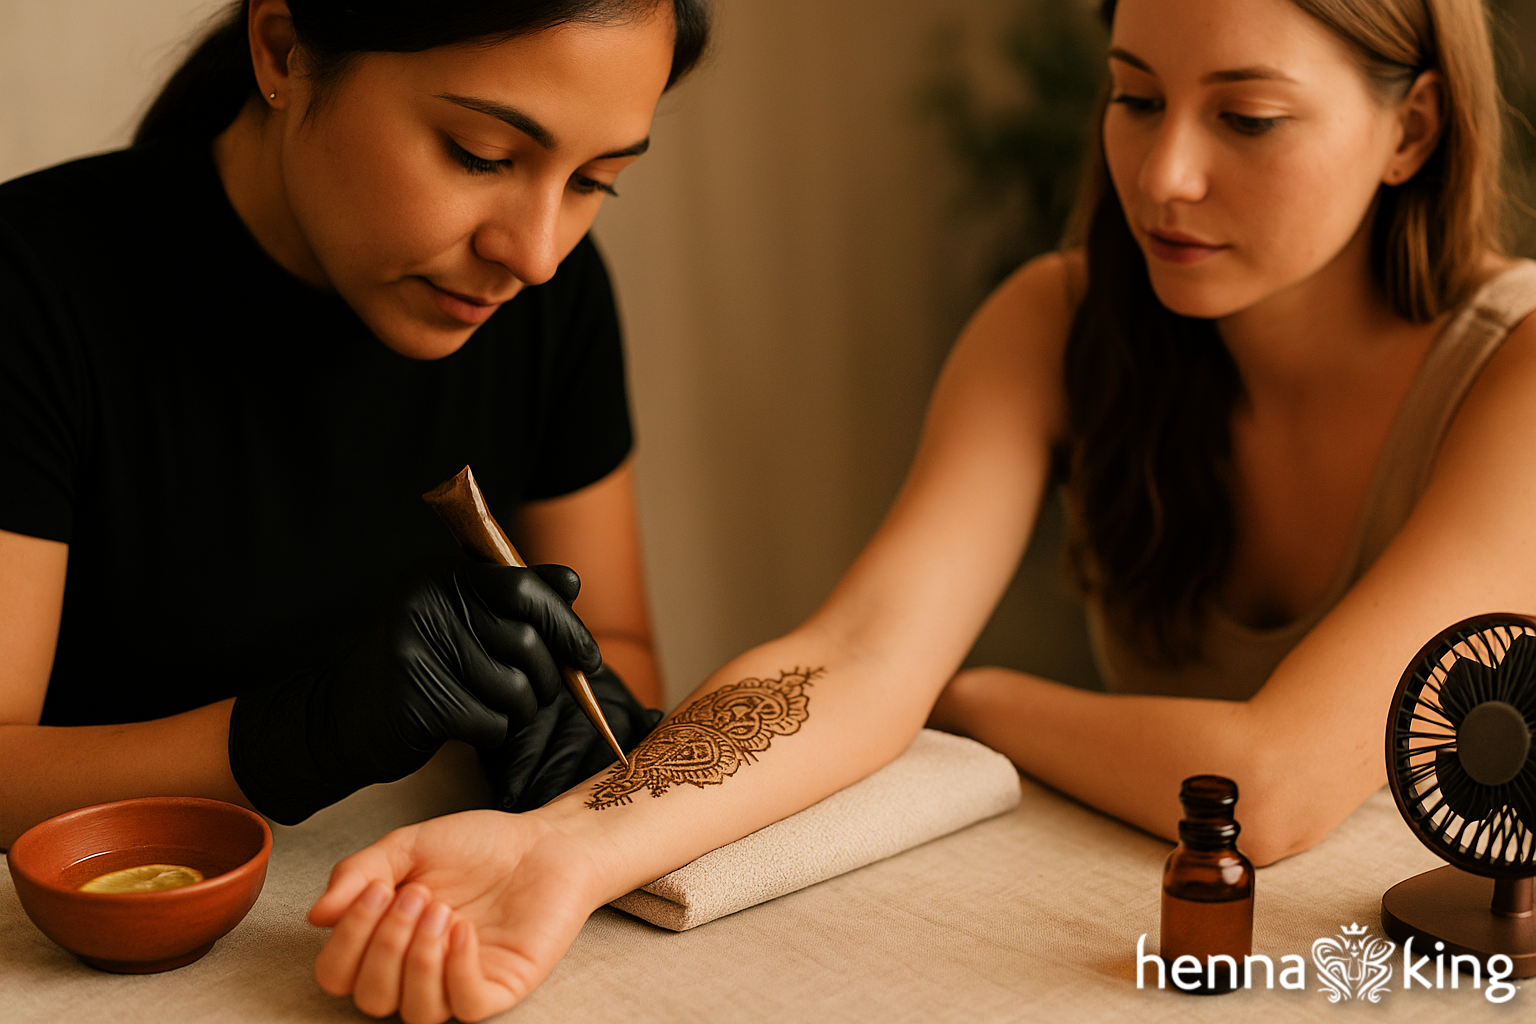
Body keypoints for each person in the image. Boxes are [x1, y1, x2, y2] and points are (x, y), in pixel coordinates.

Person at [303, 0, 1536, 1020]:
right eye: (1135, 96)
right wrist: (559, 849)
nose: (1164, 173)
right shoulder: (1055, 322)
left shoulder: (1518, 369)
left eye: (1249, 117)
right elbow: (856, 653)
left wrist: (966, 694)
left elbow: (1261, 791)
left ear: (1411, 128)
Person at [0, 0, 709, 844]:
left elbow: (616, 640)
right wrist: (304, 733)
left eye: (595, 180)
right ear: (283, 51)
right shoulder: (29, 287)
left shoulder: (555, 302)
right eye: (479, 156)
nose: (536, 255)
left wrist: (563, 715)